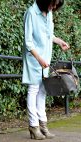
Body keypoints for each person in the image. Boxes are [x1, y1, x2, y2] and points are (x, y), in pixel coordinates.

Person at [22, 0, 69, 140]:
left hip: (45, 60)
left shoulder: (49, 13)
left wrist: (59, 41)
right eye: (52, 3)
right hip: (34, 59)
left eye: (56, 5)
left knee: (43, 91)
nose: (53, 7)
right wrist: (39, 58)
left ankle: (43, 125)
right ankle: (33, 126)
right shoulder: (31, 12)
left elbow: (49, 35)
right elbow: (28, 41)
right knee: (33, 90)